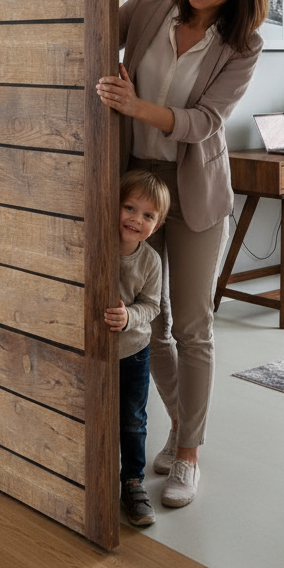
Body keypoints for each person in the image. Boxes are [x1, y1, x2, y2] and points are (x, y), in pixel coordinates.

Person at [96, 0, 267, 509]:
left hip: (192, 187)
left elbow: (205, 123)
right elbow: (89, 30)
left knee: (193, 325)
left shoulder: (242, 46)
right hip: (134, 180)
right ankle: (180, 429)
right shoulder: (148, 5)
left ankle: (188, 454)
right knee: (151, 321)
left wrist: (138, 104)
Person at [105, 168, 170, 526]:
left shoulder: (150, 262)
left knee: (132, 421)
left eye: (147, 215)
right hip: (94, 351)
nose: (136, 219)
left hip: (133, 351)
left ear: (156, 226)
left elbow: (153, 305)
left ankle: (132, 482)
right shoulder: (94, 243)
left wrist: (128, 316)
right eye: (130, 208)